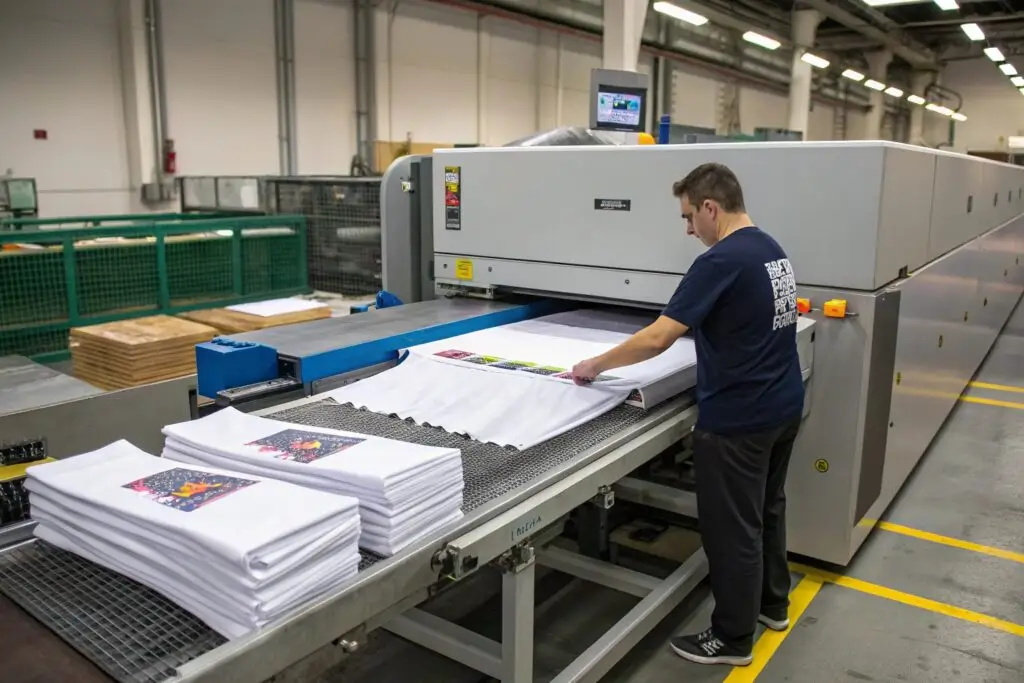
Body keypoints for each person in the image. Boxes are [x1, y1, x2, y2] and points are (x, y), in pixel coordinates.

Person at [571, 162, 804, 667]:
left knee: (732, 530)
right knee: (767, 511)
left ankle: (733, 639)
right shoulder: (771, 250)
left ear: (710, 208)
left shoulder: (720, 261)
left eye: (687, 216)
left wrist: (595, 365)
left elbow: (659, 337)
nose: (688, 229)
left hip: (739, 421)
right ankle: (773, 606)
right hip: (782, 406)